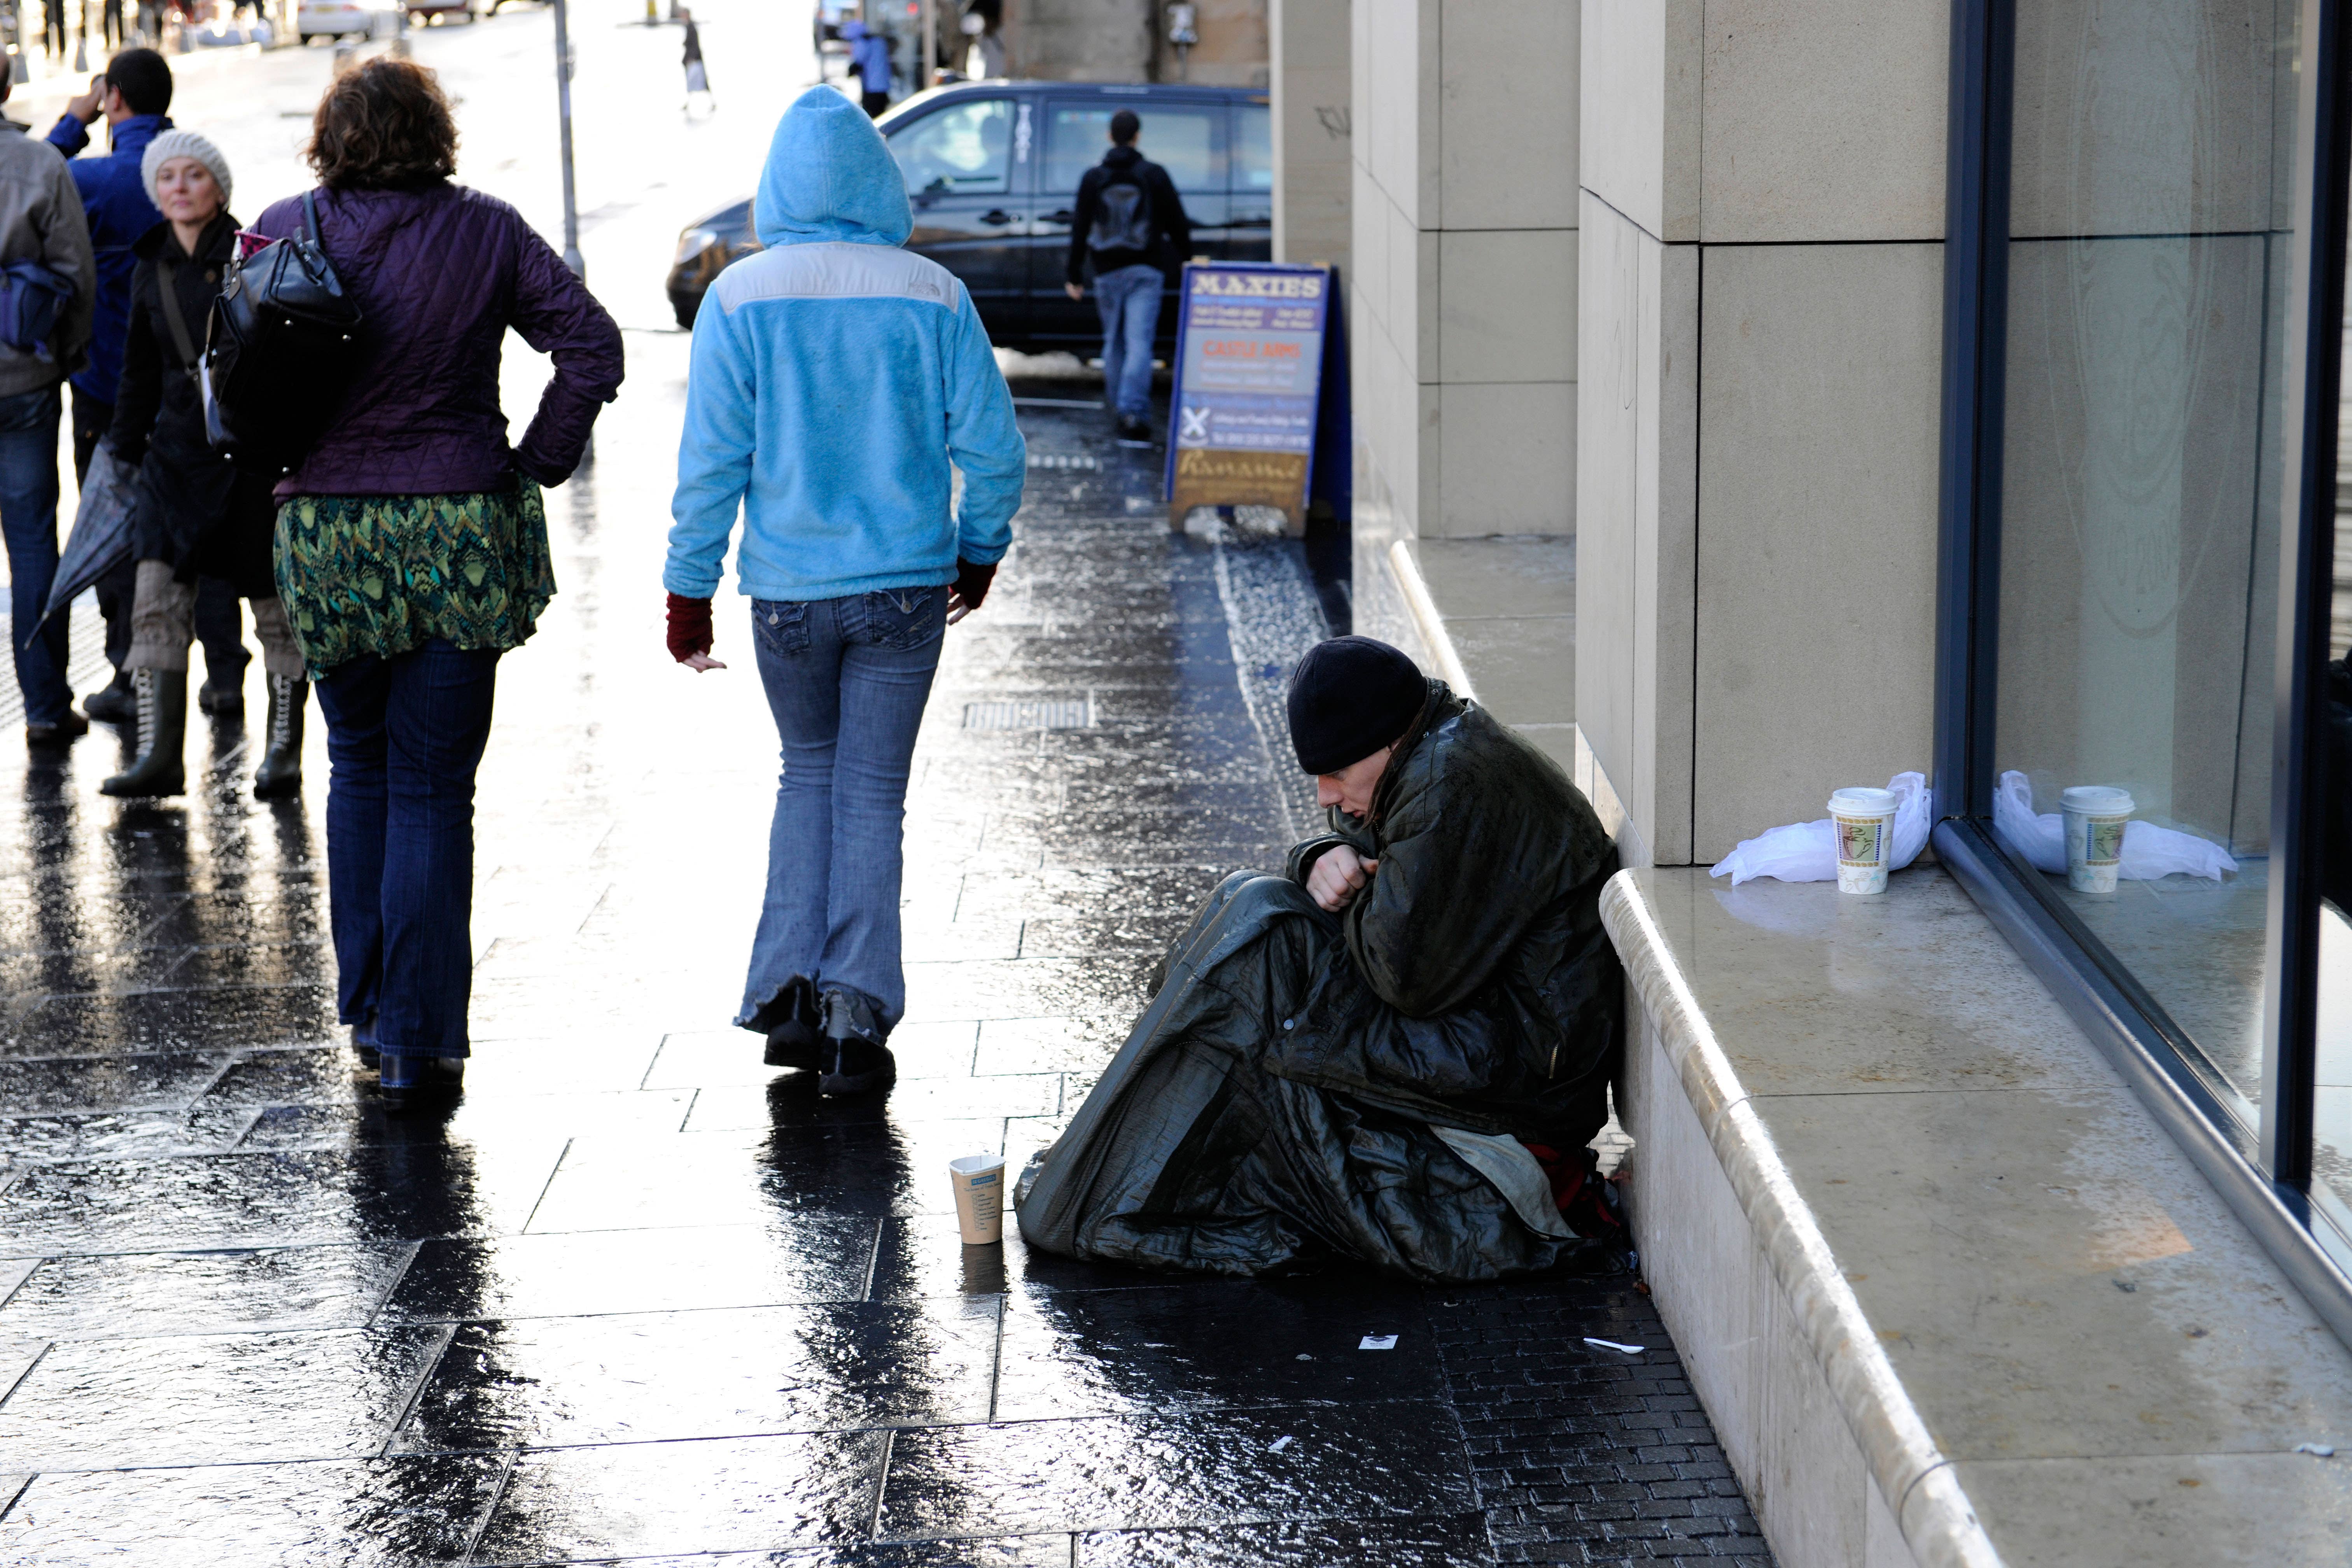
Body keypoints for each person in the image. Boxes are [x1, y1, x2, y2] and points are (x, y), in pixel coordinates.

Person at [1016, 637, 1628, 1280]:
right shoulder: (1429, 748)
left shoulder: (1452, 782)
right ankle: (1104, 1163)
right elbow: (1380, 873)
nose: (1323, 795)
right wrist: (1317, 857)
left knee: (1261, 940)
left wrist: (1335, 874)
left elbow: (1401, 976)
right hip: (1481, 1032)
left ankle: (1089, 1187)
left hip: (1517, 1076)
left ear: (1390, 742)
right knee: (1246, 905)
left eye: (1337, 772)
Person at [254, 58, 623, 1109]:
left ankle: (370, 1020)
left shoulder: (286, 223)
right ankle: (423, 1045)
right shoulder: (490, 229)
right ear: (436, 133)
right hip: (457, 522)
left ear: (332, 135)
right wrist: (537, 464)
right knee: (432, 789)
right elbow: (590, 349)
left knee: (358, 770)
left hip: (329, 533)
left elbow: (229, 373)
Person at [665, 84, 1024, 1097]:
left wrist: (687, 594)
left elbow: (710, 464)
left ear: (778, 184)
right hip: (907, 588)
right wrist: (978, 551)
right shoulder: (934, 293)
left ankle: (786, 995)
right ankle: (856, 1012)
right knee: (872, 793)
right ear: (879, 179)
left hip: (786, 595)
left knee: (806, 776)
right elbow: (995, 450)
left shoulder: (739, 296)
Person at [97, 130, 307, 800]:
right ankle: (159, 757)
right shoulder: (149, 265)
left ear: (219, 189)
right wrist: (122, 453)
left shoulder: (251, 258)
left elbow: (279, 364)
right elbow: (138, 372)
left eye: (194, 176)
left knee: (274, 610)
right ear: (155, 194)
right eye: (168, 178)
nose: (180, 187)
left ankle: (282, 753)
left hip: (246, 461)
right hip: (172, 462)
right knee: (155, 603)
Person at [49, 49, 250, 725]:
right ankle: (225, 678)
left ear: (112, 99)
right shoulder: (195, 172)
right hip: (205, 392)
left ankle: (128, 672)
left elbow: (22, 183)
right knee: (215, 527)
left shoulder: (94, 177)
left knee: (123, 527)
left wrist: (70, 123)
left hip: (111, 386)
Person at [0, 65, 97, 751]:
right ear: (6, 89)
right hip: (23, 378)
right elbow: (76, 276)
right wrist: (64, 359)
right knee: (33, 542)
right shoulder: (37, 164)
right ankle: (43, 706)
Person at [1063, 108, 1188, 445]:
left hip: (1106, 271)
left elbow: (1080, 228)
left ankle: (1121, 409)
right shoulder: (1154, 175)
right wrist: (1188, 258)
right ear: (1137, 136)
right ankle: (1134, 412)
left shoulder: (1093, 178)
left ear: (1110, 137)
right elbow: (1177, 220)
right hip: (1146, 269)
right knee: (1139, 343)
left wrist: (1074, 274)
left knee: (1113, 342)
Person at [842, 16, 891, 117]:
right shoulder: (877, 41)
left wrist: (850, 71)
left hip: (872, 87)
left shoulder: (864, 42)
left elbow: (859, 63)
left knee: (872, 115)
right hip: (882, 85)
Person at [679, 7, 713, 113]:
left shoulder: (691, 27)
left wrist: (691, 58)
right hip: (693, 59)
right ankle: (689, 103)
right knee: (693, 82)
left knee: (700, 82)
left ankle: (712, 102)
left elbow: (694, 44)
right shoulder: (689, 26)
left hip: (694, 59)